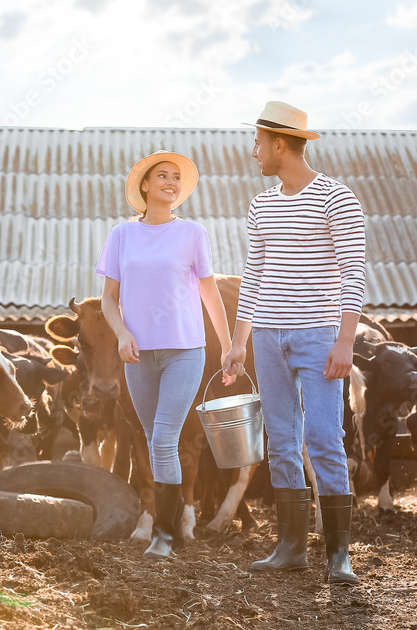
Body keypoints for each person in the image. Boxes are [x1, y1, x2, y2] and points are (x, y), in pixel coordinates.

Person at [222, 101, 366, 585]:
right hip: (267, 337)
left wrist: (345, 341)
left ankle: (339, 553)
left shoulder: (336, 198)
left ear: (279, 144)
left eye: (258, 142)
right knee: (281, 441)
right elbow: (255, 275)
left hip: (318, 336)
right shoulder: (261, 203)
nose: (253, 151)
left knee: (324, 438)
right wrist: (238, 342)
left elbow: (353, 273)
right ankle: (289, 547)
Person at [96, 150, 237, 559]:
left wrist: (227, 346)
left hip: (184, 351)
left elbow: (209, 292)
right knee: (152, 439)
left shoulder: (192, 233)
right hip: (138, 356)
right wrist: (121, 333)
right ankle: (167, 527)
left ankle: (164, 533)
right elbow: (109, 299)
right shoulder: (121, 236)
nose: (172, 182)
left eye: (177, 177)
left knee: (162, 439)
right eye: (163, 175)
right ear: (145, 185)